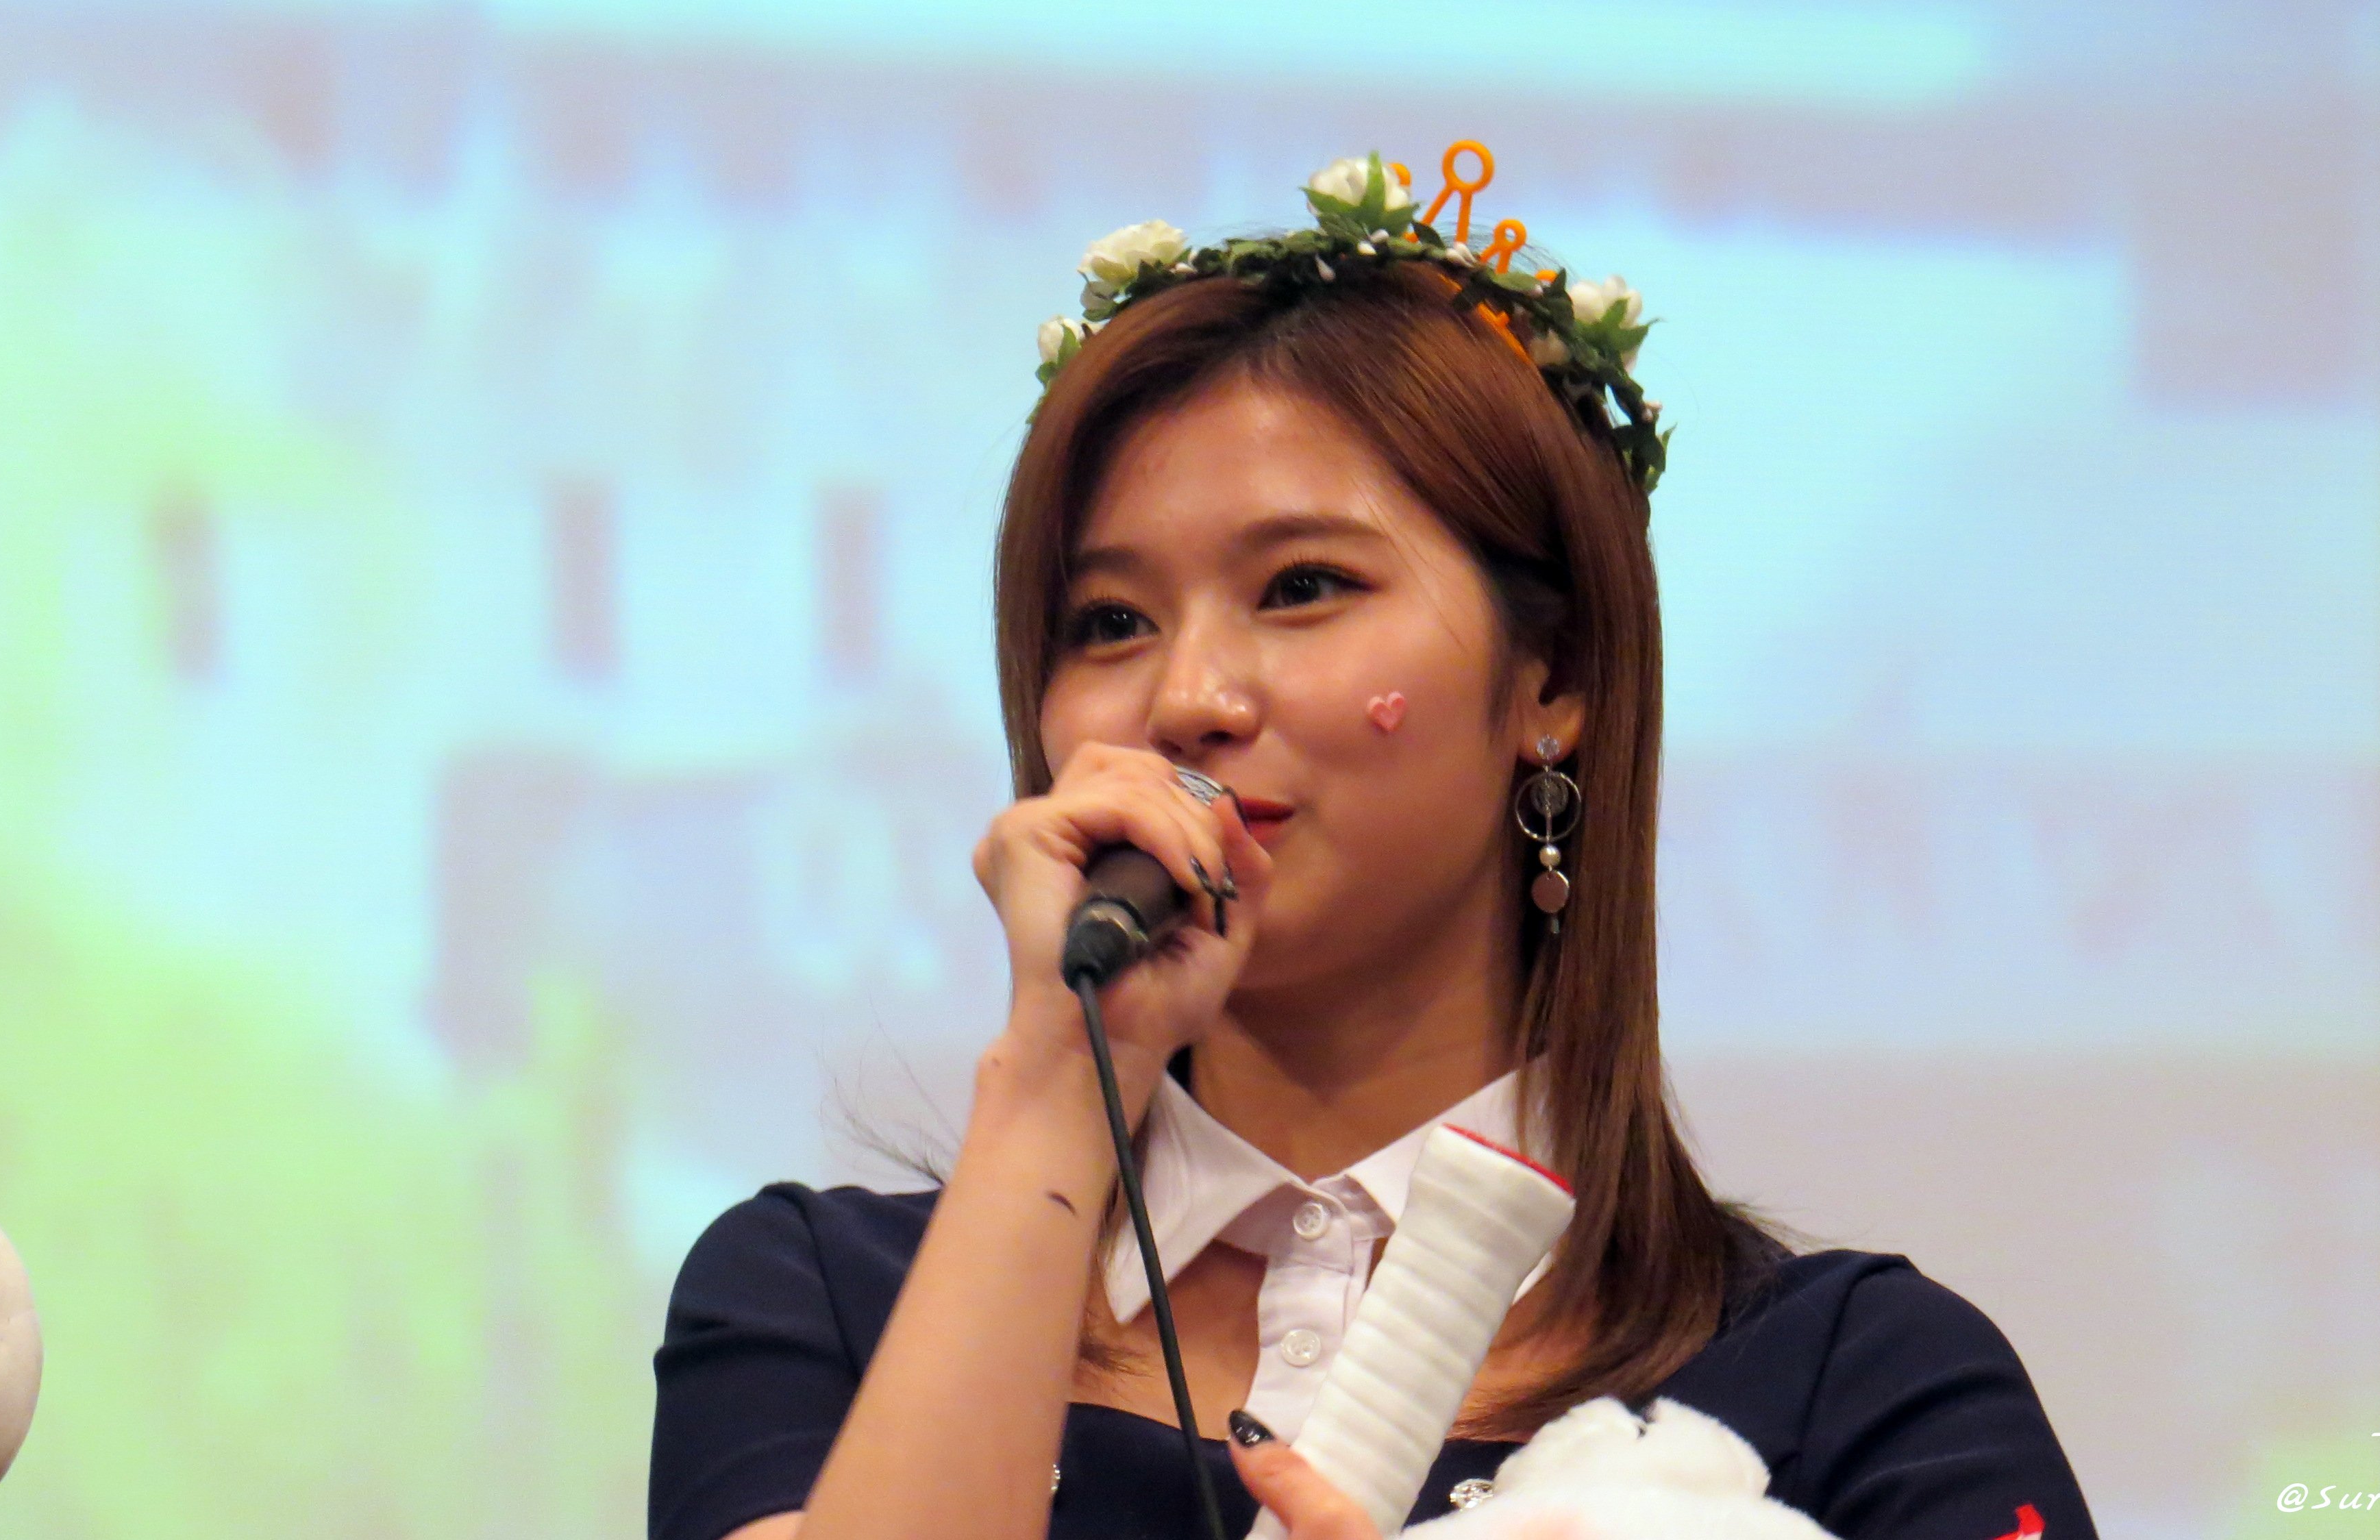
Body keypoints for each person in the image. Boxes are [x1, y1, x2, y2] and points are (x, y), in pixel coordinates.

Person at [647, 149, 2098, 1540]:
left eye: (1301, 587)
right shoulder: (823, 1300)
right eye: (1109, 621)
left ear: (1553, 676)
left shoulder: (1860, 1391)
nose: (1188, 698)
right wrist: (1059, 1078)